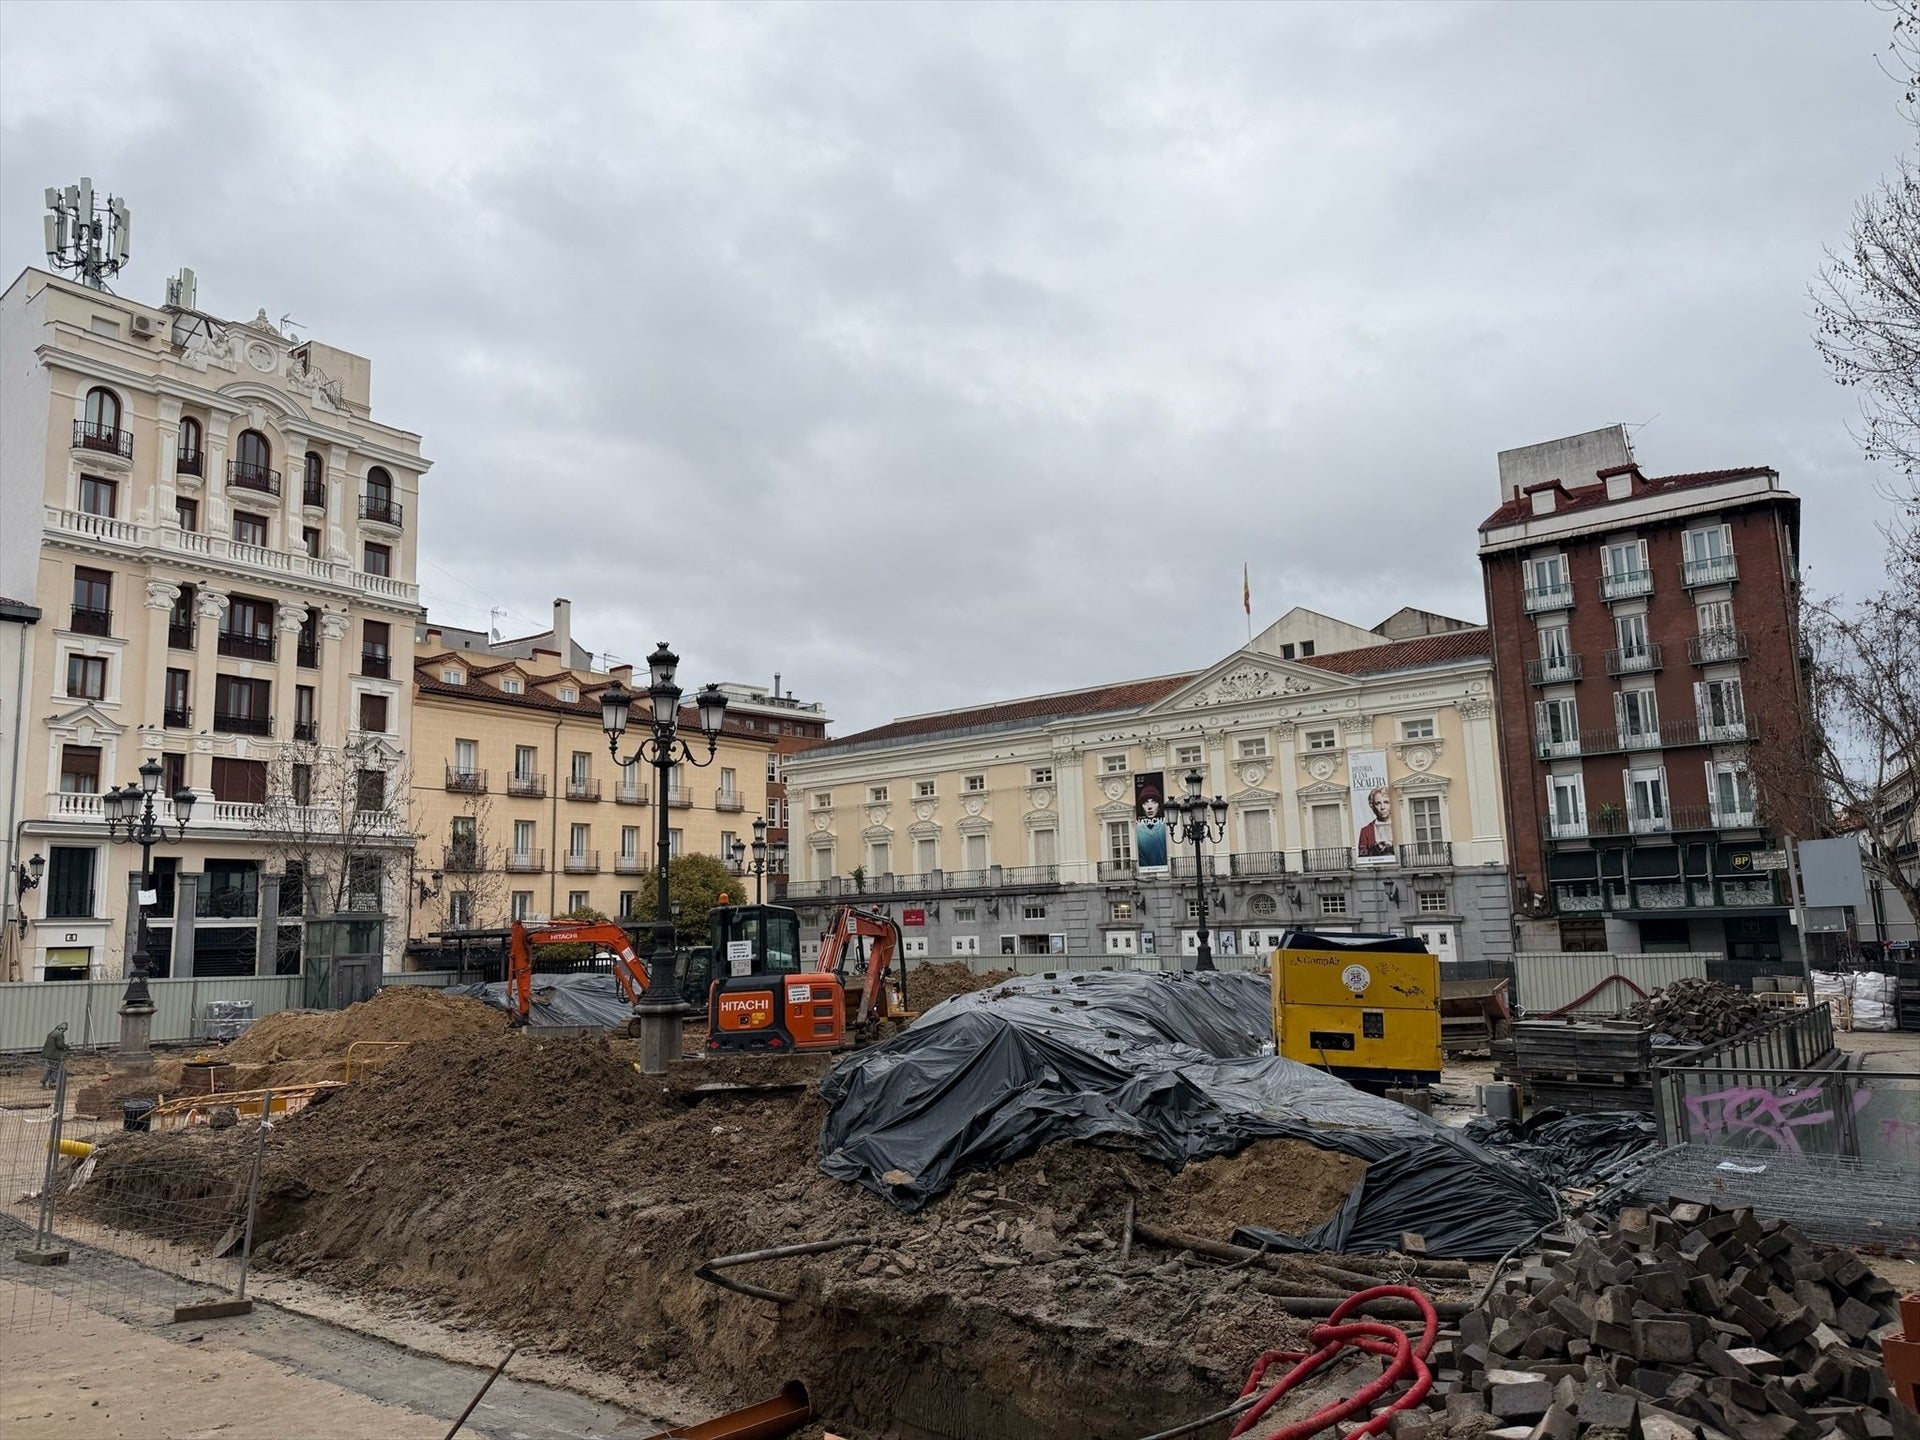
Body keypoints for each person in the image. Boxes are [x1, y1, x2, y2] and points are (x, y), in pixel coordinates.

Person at [1357, 787, 1395, 857]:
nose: (1382, 807)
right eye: (1378, 803)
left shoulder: (1400, 826)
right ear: (1372, 806)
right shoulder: (1366, 831)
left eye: (1386, 802)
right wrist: (1375, 849)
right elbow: (1362, 854)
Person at [1135, 790, 1169, 868]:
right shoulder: (1138, 829)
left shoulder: (1164, 826)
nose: (1150, 807)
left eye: (1154, 802)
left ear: (1159, 805)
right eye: (1145, 803)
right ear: (1141, 806)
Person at [40, 1021, 69, 1088]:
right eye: (64, 1029)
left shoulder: (52, 1033)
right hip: (54, 1055)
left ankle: (43, 1082)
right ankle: (53, 1083)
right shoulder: (59, 1034)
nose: (64, 1031)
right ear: (62, 1029)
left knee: (48, 1068)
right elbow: (60, 1045)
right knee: (55, 1069)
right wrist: (67, 1046)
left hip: (47, 1054)